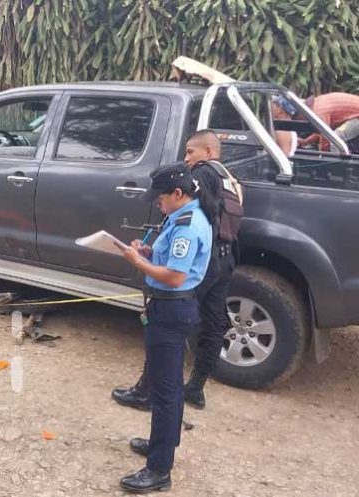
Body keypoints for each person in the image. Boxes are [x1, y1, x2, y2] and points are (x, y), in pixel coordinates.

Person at [112, 130, 242, 410]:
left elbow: (179, 211)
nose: (187, 159)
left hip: (201, 262)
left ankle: (148, 391)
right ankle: (195, 387)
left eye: (190, 152)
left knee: (168, 326)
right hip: (225, 258)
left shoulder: (203, 174)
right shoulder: (229, 177)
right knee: (213, 323)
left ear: (208, 151)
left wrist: (148, 255)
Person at [114, 163, 212, 493]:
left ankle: (159, 470)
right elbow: (167, 256)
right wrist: (147, 251)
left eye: (161, 197)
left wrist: (137, 262)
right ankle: (162, 444)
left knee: (166, 392)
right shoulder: (181, 215)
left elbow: (174, 276)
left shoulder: (187, 225)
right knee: (162, 385)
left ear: (179, 194)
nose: (158, 203)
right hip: (169, 307)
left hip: (172, 309)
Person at [272, 93, 359, 153]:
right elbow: (322, 131)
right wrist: (306, 141)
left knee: (335, 141)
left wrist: (321, 157)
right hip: (354, 113)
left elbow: (327, 137)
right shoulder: (315, 105)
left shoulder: (319, 113)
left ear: (300, 116)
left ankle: (338, 170)